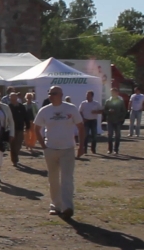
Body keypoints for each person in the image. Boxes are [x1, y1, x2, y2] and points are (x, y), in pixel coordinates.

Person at [34, 86, 85, 218]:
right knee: (53, 178)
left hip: (67, 149)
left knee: (67, 178)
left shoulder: (71, 108)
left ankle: (67, 206)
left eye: (54, 93)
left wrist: (81, 145)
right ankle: (55, 205)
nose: (51, 96)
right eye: (49, 93)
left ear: (61, 95)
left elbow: (80, 126)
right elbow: (36, 128)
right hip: (50, 148)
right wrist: (43, 145)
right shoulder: (45, 110)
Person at [102, 88, 127, 155]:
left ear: (117, 93)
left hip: (118, 121)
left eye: (114, 92)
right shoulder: (108, 101)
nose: (112, 93)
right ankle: (109, 149)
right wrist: (108, 111)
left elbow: (124, 111)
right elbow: (104, 110)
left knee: (117, 135)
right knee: (110, 135)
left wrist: (121, 118)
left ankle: (116, 149)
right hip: (110, 120)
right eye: (112, 92)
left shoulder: (120, 101)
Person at [79, 90, 104, 154]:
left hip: (93, 121)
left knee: (94, 136)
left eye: (88, 95)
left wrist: (96, 112)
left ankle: (93, 149)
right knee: (85, 136)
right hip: (86, 121)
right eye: (86, 95)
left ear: (92, 96)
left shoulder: (96, 103)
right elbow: (80, 111)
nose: (87, 96)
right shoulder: (83, 103)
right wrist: (83, 118)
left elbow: (101, 111)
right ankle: (85, 149)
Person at [7, 92, 28, 166]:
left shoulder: (21, 107)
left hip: (20, 128)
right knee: (13, 145)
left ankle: (16, 155)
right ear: (10, 98)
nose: (13, 99)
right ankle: (14, 160)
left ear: (17, 98)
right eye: (11, 98)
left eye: (14, 97)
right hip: (11, 129)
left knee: (19, 143)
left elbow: (25, 116)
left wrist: (27, 125)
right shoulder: (8, 107)